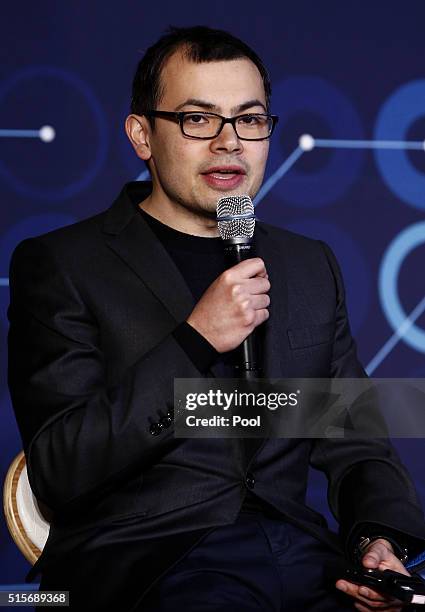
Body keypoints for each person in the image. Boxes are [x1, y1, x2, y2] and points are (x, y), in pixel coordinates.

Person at [7, 25, 425, 612]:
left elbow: (355, 440)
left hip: (305, 560)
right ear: (142, 135)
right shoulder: (62, 265)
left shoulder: (307, 264)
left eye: (249, 120)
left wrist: (375, 539)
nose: (229, 143)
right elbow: (60, 468)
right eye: (199, 119)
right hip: (149, 565)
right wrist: (197, 338)